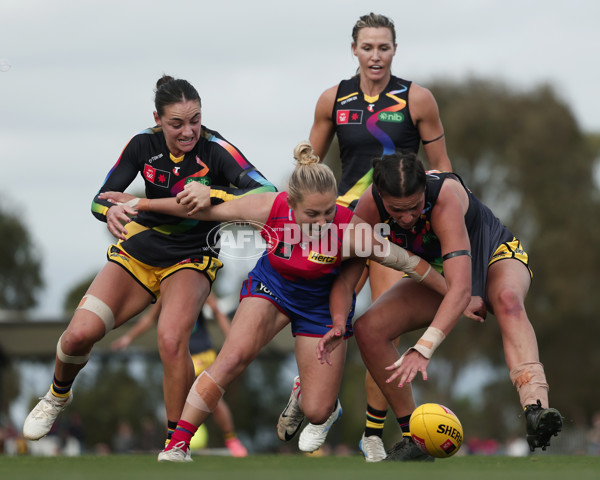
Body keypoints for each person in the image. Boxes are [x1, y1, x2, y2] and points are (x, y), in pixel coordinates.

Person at [99, 141, 448, 462]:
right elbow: (199, 211)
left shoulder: (351, 229)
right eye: (312, 215)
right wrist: (140, 202)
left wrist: (454, 294)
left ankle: (306, 393)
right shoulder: (268, 207)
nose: (323, 222)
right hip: (273, 288)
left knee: (317, 411)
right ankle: (178, 444)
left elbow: (409, 263)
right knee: (232, 358)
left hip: (321, 307)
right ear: (291, 204)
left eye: (329, 211)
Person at [22, 75, 276, 454]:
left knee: (172, 340)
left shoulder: (217, 149)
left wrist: (216, 191)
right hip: (140, 251)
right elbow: (99, 198)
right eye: (177, 123)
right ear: (157, 119)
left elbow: (266, 193)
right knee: (78, 335)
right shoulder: (143, 144)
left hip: (192, 257)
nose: (189, 131)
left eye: (195, 120)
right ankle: (58, 396)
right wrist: (109, 211)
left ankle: (176, 444)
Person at [324, 151, 562, 456]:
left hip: (492, 256)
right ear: (381, 196)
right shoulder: (369, 207)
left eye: (414, 207)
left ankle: (535, 409)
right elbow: (346, 279)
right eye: (398, 211)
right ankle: (414, 437)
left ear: (424, 187)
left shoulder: (445, 197)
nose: (408, 218)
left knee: (507, 298)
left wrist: (423, 348)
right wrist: (337, 321)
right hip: (438, 273)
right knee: (368, 329)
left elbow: (461, 290)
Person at [308, 12, 452, 461]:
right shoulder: (333, 99)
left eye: (383, 47)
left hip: (396, 233)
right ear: (354, 49)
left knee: (377, 327)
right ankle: (310, 396)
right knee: (317, 309)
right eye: (367, 47)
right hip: (347, 229)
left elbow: (443, 171)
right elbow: (309, 169)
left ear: (394, 50)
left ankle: (373, 432)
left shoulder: (418, 99)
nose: (375, 56)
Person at [110, 293, 248, 457]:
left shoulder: (200, 283)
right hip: (180, 354)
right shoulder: (168, 289)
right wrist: (128, 337)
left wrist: (232, 341)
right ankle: (175, 442)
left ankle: (231, 439)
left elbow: (217, 311)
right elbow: (148, 319)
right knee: (177, 399)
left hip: (202, 353)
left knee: (209, 396)